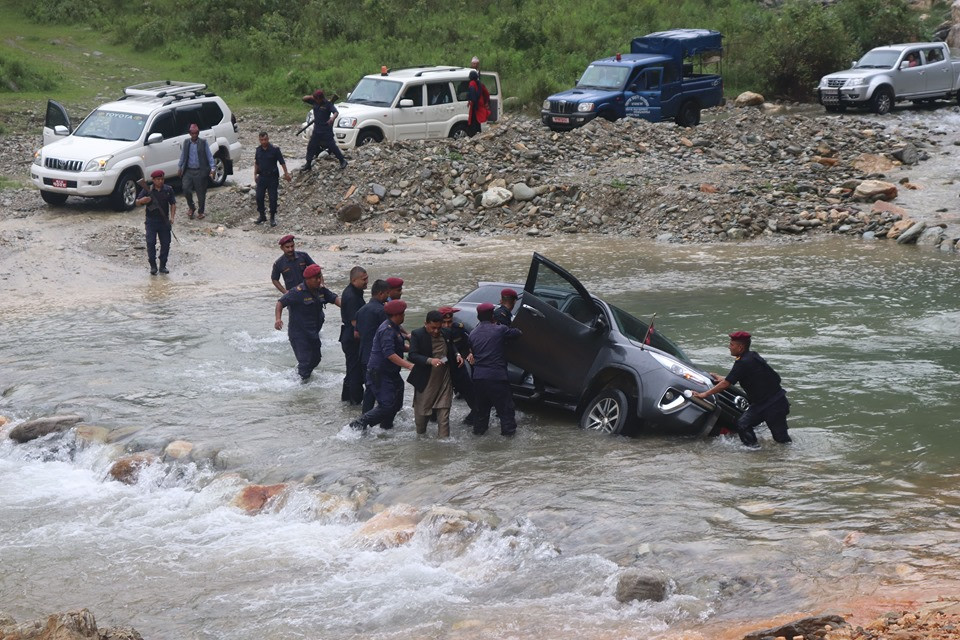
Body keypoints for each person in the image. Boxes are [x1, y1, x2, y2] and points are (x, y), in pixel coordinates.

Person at [692, 331, 791, 447]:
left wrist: (704, 394)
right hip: (764, 403)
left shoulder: (743, 362)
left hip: (773, 404)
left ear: (740, 347)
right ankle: (754, 451)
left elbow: (726, 384)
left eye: (732, 344)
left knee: (781, 440)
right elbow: (747, 376)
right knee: (743, 424)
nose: (729, 347)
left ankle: (760, 451)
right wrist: (725, 379)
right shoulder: (752, 356)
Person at [351, 300, 414, 431]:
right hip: (379, 373)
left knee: (396, 402)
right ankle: (357, 425)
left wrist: (415, 349)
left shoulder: (395, 327)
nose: (404, 316)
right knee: (386, 405)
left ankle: (386, 427)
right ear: (397, 315)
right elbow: (390, 354)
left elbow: (400, 347)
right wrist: (409, 366)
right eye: (403, 314)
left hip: (391, 372)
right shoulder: (387, 329)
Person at [274, 263, 341, 380]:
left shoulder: (321, 290)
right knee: (305, 362)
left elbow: (334, 299)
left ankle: (298, 376)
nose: (319, 280)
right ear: (308, 279)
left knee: (316, 358)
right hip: (299, 334)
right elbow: (280, 302)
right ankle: (301, 385)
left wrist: (350, 308)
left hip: (313, 332)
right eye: (316, 278)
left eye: (320, 277)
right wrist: (278, 319)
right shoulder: (296, 292)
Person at [468, 302, 522, 436]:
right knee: (506, 411)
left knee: (481, 413)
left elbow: (473, 352)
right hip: (497, 377)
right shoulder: (500, 329)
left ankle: (478, 435)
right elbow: (517, 333)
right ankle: (509, 441)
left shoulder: (472, 334)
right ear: (492, 315)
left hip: (479, 378)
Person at [407, 310, 462, 438]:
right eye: (433, 328)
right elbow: (412, 355)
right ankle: (421, 441)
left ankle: (444, 444)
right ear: (426, 323)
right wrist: (430, 361)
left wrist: (457, 354)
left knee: (444, 415)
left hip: (444, 378)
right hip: (426, 380)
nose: (436, 331)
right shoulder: (417, 334)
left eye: (439, 327)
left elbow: (451, 345)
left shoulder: (446, 332)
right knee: (421, 418)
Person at [357, 279, 390, 412]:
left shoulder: (361, 310)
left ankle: (365, 419)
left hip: (363, 355)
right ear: (381, 294)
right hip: (376, 357)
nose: (387, 297)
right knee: (376, 390)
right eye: (387, 294)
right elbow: (387, 334)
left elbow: (358, 333)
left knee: (370, 388)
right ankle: (369, 421)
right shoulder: (381, 311)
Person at [135, 169, 176, 275]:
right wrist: (142, 201)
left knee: (166, 243)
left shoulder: (168, 189)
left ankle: (163, 265)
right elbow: (137, 202)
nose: (160, 181)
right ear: (153, 180)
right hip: (151, 221)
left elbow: (173, 204)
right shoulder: (147, 190)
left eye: (162, 179)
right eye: (158, 179)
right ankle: (153, 266)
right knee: (150, 243)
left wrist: (172, 217)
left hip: (164, 221)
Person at [440, 306, 475, 425]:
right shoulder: (435, 332)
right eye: (444, 322)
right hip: (443, 366)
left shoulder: (459, 328)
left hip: (460, 362)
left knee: (470, 389)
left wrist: (471, 353)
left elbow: (471, 340)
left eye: (449, 322)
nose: (447, 325)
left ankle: (474, 415)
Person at [339, 266, 368, 405]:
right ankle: (356, 403)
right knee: (355, 371)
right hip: (352, 338)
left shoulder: (357, 291)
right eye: (364, 279)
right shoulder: (351, 296)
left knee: (351, 370)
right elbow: (355, 323)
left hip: (348, 336)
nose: (367, 281)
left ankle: (346, 399)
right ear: (354, 280)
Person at [177, 123, 215, 220]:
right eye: (192, 133)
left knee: (201, 193)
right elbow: (183, 156)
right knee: (185, 189)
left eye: (196, 133)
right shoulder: (186, 142)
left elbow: (209, 156)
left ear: (198, 133)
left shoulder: (203, 142)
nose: (194, 135)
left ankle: (201, 211)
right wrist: (180, 167)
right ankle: (191, 207)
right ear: (190, 133)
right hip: (188, 171)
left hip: (200, 171)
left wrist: (212, 168)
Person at [302, 90, 347, 171]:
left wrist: (332, 118)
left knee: (333, 146)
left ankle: (342, 161)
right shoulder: (314, 101)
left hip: (326, 130)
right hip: (317, 130)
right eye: (315, 99)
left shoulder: (328, 104)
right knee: (311, 146)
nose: (316, 101)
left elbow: (336, 112)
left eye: (317, 99)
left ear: (321, 98)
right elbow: (304, 98)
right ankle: (308, 163)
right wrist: (312, 96)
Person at [254, 131, 292, 227]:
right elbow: (256, 163)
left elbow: (282, 162)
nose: (263, 142)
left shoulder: (275, 150)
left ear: (268, 139)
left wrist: (286, 173)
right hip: (262, 177)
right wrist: (255, 175)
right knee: (259, 197)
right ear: (259, 140)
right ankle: (262, 216)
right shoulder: (258, 150)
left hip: (272, 177)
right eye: (261, 140)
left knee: (273, 198)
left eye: (265, 139)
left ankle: (272, 217)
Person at [466, 71, 484, 137]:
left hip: (474, 105)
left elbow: (473, 93)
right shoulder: (478, 83)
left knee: (473, 122)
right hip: (478, 105)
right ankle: (478, 135)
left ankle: (473, 136)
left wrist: (471, 99)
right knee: (477, 122)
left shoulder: (472, 83)